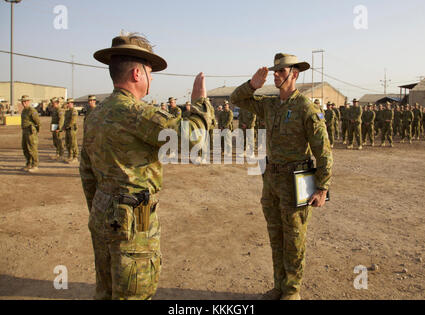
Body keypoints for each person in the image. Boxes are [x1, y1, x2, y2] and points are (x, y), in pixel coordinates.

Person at [79, 32, 214, 300]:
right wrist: (200, 103)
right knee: (134, 292)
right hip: (135, 216)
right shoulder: (138, 114)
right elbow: (195, 140)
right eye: (151, 73)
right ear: (137, 75)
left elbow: (87, 172)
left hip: (102, 212)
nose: (152, 79)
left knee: (106, 291)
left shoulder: (96, 115)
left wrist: (101, 208)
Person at [230, 53, 332, 300]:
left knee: (294, 238)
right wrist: (252, 85)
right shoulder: (270, 104)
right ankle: (279, 286)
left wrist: (322, 187)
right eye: (274, 71)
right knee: (276, 236)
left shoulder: (306, 108)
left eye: (281, 71)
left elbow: (324, 150)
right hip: (272, 180)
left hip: (297, 181)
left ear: (294, 74)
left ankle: (292, 291)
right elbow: (236, 99)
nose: (276, 75)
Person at [20, 95, 40, 172]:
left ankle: (35, 165)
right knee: (25, 148)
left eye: (25, 101)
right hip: (25, 131)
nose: (24, 103)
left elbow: (38, 122)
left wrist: (35, 131)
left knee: (32, 148)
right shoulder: (24, 110)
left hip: (31, 131)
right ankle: (29, 163)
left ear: (29, 102)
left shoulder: (32, 111)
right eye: (23, 102)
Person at [63, 98, 79, 162]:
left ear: (72, 103)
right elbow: (65, 120)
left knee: (73, 143)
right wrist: (64, 127)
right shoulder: (67, 111)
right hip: (67, 129)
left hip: (72, 129)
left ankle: (75, 157)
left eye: (68, 103)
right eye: (67, 103)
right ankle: (70, 155)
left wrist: (68, 126)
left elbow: (73, 120)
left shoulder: (74, 111)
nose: (67, 104)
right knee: (68, 143)